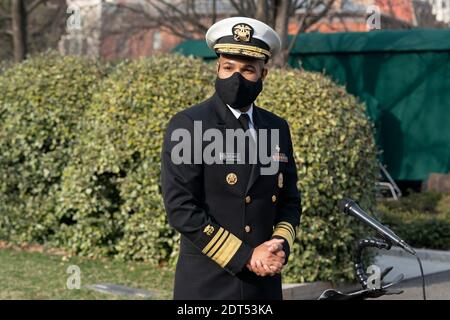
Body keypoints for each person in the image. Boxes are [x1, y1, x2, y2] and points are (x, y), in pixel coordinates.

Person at [161, 16, 301, 300]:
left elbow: (289, 199)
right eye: (228, 67)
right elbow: (181, 208)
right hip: (208, 283)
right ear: (217, 68)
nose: (236, 77)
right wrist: (247, 256)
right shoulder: (189, 124)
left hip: (263, 283)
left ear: (263, 75)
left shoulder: (276, 128)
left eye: (248, 69)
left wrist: (278, 245)